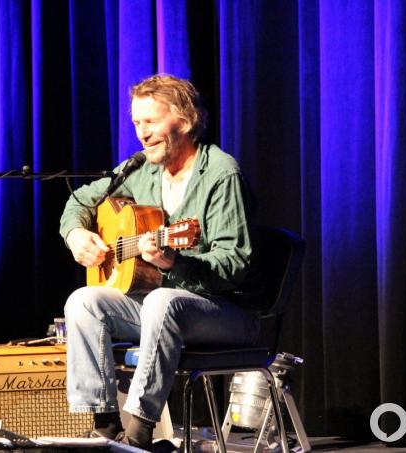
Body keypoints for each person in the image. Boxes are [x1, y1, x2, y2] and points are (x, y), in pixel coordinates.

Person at [59, 74, 262, 451]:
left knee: (161, 301)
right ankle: (104, 426)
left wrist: (174, 264)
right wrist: (75, 235)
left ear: (183, 121)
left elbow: (235, 264)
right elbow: (80, 202)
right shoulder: (142, 170)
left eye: (150, 121)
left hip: (227, 312)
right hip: (163, 307)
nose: (141, 133)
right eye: (136, 123)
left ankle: (138, 432)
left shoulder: (221, 174)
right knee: (84, 301)